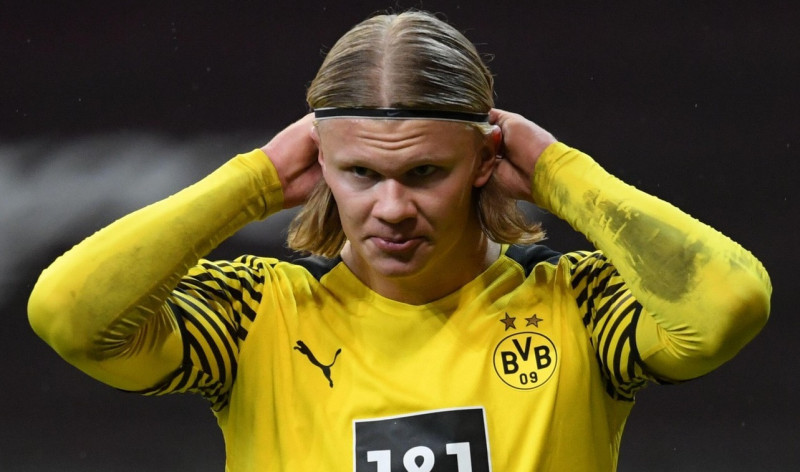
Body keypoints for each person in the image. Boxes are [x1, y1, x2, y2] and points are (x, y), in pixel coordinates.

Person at [28, 10, 771, 471]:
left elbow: (729, 304)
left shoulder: (578, 303)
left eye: (424, 172)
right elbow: (67, 315)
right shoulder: (256, 313)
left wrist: (557, 170)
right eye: (358, 172)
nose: (391, 208)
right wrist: (250, 183)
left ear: (485, 161)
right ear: (317, 164)